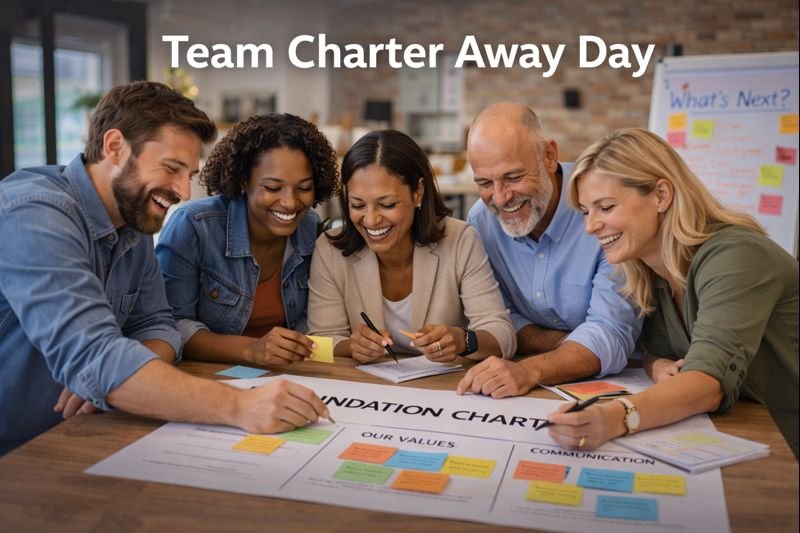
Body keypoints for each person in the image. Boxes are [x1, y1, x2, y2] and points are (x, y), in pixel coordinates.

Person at [0, 82, 330, 456]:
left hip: (81, 434)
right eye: (172, 168)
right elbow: (96, 356)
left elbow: (158, 326)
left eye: (188, 174)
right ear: (115, 147)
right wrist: (239, 405)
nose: (184, 192)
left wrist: (122, 376)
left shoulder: (133, 222)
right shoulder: (35, 213)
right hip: (15, 450)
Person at [548, 127, 799, 456]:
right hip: (749, 434)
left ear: (662, 195)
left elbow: (707, 382)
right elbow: (657, 351)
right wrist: (657, 366)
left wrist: (613, 417)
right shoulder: (651, 269)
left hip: (787, 446)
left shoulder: (736, 256)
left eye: (605, 207)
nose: (590, 226)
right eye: (585, 211)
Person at [457, 102, 641, 398]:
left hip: (630, 381)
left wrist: (529, 370)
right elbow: (498, 317)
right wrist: (570, 347)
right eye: (485, 183)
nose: (501, 198)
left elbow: (611, 331)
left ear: (549, 156)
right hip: (528, 386)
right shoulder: (481, 221)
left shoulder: (605, 210)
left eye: (513, 177)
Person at [307, 130, 516, 363]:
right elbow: (319, 342)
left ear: (418, 192)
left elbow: (503, 336)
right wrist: (351, 346)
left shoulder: (460, 241)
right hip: (366, 383)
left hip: (447, 383)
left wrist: (462, 340)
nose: (371, 220)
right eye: (357, 205)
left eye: (387, 204)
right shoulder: (330, 250)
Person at [156, 114, 339, 366]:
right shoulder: (194, 226)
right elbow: (171, 325)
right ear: (243, 180)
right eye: (272, 188)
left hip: (284, 373)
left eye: (304, 188)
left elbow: (313, 326)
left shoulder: (309, 227)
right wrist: (251, 350)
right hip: (207, 373)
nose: (290, 203)